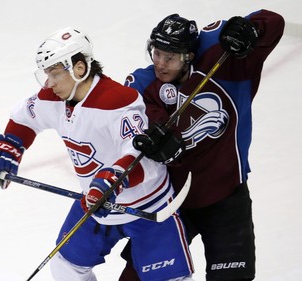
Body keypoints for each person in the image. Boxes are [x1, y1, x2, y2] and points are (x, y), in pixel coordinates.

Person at [0, 26, 195, 281]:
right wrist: (8, 150)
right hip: (93, 203)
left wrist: (112, 180)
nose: (49, 83)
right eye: (47, 74)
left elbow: (141, 156)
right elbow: (24, 119)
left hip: (148, 205)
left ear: (79, 69)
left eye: (55, 74)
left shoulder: (118, 101)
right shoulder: (52, 97)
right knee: (65, 267)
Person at [119, 10, 285, 281]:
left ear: (189, 56)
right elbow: (134, 122)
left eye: (169, 57)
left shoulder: (226, 64)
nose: (160, 63)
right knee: (137, 276)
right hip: (171, 201)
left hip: (226, 197)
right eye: (156, 54)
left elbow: (273, 22)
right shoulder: (144, 83)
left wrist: (249, 30)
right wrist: (155, 139)